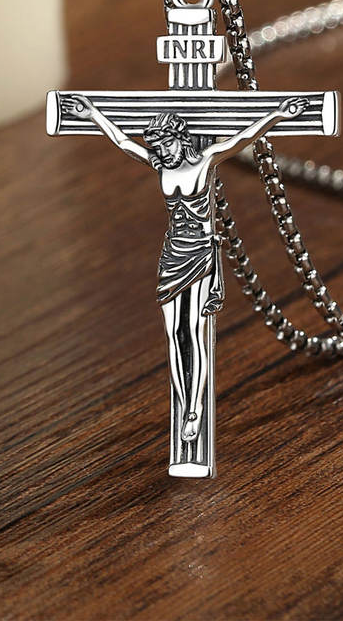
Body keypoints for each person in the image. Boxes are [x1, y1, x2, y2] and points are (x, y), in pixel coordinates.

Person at [65, 94, 307, 441]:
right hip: (172, 255)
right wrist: (92, 115)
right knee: (172, 335)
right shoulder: (161, 166)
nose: (162, 153)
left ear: (181, 138)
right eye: (157, 148)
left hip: (199, 253)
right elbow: (123, 142)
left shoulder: (205, 161)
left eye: (166, 145)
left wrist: (278, 114)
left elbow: (243, 138)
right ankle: (183, 404)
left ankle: (195, 408)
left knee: (194, 332)